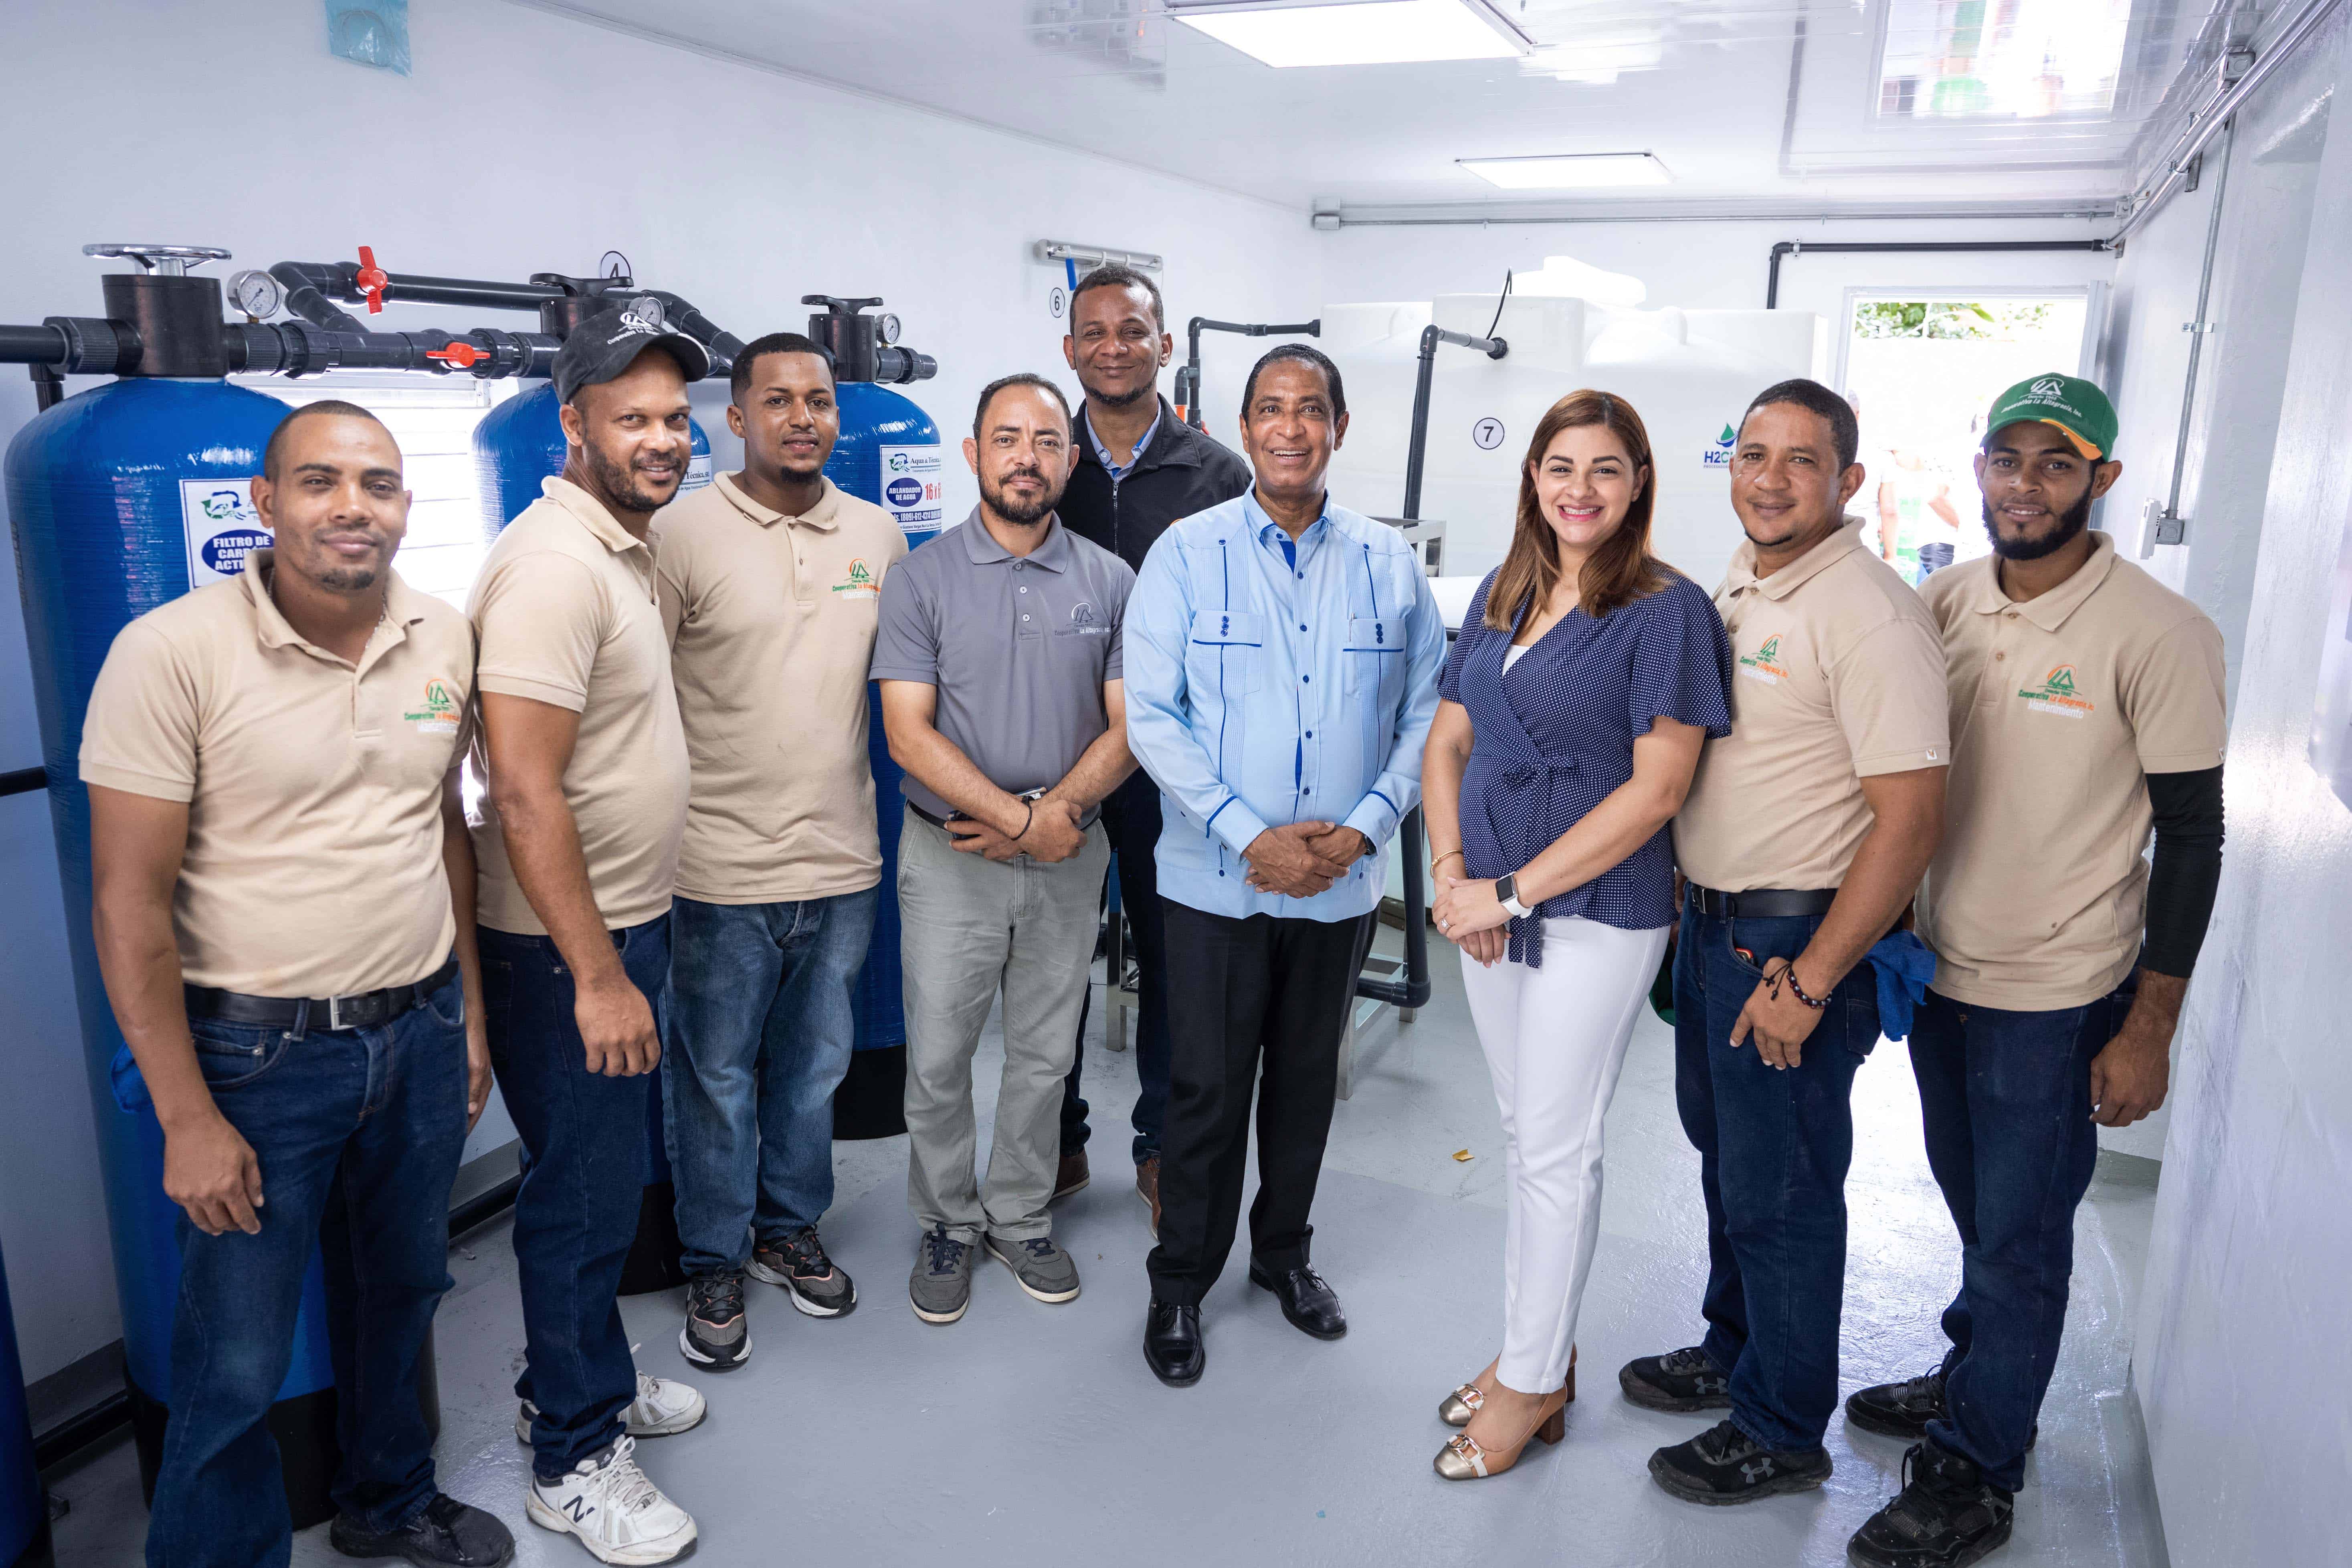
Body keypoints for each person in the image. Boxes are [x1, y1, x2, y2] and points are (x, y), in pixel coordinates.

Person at [83, 402, 511, 1568]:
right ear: (265, 505)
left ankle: (387, 1498)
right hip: (257, 1060)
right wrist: (184, 1117)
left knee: (404, 1290)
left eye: (377, 483)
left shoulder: (441, 632)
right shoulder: (170, 652)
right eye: (319, 481)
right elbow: (127, 901)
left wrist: (464, 1014)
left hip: (416, 1028)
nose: (351, 506)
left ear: (404, 508)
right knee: (234, 1362)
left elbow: (444, 828)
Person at [1844, 376, 2226, 1568]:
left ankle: (1973, 1467)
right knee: (1976, 1209)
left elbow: (2194, 837)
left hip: (2057, 999)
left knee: (2020, 1238)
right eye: (2006, 460)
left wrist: (2150, 1025)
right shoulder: (1943, 602)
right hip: (1942, 973)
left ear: (2101, 480)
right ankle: (1975, 1372)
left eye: (2055, 465)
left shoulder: (2159, 634)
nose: (2024, 484)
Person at [1625, 378, 1950, 1506]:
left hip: (1790, 943)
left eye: (1799, 460)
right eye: (1751, 454)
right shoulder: (1746, 580)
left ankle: (1779, 1425)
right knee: (1731, 1166)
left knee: (1785, 1191)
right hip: (1715, 930)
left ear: (1847, 480)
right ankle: (1733, 1354)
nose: (1768, 478)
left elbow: (1909, 821)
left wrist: (1810, 980)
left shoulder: (1865, 611)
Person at [1420, 391, 1732, 1481]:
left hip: (1596, 911)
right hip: (1489, 903)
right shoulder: (1507, 593)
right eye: (1561, 466)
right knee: (1524, 1138)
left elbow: (1656, 793)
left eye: (1605, 469)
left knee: (1558, 1147)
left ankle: (1532, 1378)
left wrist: (1506, 894)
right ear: (1533, 479)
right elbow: (1447, 740)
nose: (1579, 489)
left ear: (1639, 481)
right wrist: (1454, 877)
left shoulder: (1665, 611)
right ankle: (1528, 1356)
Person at [1125, 344, 1445, 1387]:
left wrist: (1359, 831)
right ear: (1242, 426)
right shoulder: (1186, 552)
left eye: (1311, 410)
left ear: (1337, 428)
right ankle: (1179, 1284)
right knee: (1205, 1090)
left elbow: (1424, 713)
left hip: (1340, 880)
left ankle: (1282, 1259)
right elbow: (1152, 716)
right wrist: (1245, 833)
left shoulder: (1389, 567)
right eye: (1270, 409)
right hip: (1216, 880)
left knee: (1307, 1084)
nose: (1291, 427)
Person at [469, 306, 711, 1564]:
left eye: (676, 419)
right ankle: (572, 1455)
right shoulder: (553, 567)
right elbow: (521, 788)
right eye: (634, 420)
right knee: (578, 1202)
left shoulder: (620, 548)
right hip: (571, 948)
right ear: (574, 426)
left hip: (622, 927)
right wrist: (599, 973)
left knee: (601, 1190)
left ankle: (578, 1381)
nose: (663, 440)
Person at [651, 332, 907, 1369]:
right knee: (713, 1076)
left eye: (820, 400)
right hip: (715, 867)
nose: (803, 418)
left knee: (812, 1071)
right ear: (736, 419)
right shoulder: (680, 535)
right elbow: (634, 696)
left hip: (841, 858)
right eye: (779, 400)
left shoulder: (879, 536)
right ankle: (712, 1253)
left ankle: (786, 1230)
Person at [873, 372, 1136, 1325]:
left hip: (1073, 856)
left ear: (1069, 457)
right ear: (974, 454)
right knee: (939, 1053)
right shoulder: (920, 577)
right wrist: (1020, 820)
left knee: (1042, 1053)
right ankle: (946, 1218)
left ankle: (1020, 1213)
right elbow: (908, 733)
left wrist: (1052, 817)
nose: (1027, 457)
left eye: (1046, 440)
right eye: (1006, 438)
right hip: (950, 860)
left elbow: (1131, 722)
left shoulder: (1111, 580)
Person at [1052, 263, 1253, 1228]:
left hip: (1173, 768)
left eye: (1133, 330)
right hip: (1057, 760)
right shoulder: (1049, 460)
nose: (1114, 346)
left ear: (1164, 345)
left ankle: (1165, 1145)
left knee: (1177, 963)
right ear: (1070, 349)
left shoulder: (1217, 474)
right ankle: (1055, 1139)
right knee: (1051, 963)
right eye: (1095, 331)